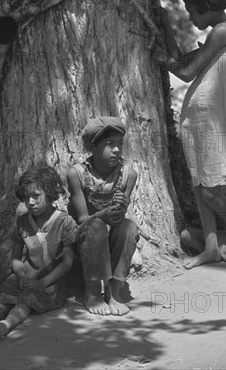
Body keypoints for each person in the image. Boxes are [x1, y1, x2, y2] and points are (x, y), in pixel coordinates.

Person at [152, 0, 226, 269]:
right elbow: (181, 59)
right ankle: (211, 247)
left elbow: (184, 72)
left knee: (210, 189)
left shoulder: (223, 32)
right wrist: (164, 22)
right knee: (199, 187)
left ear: (207, 7)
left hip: (210, 118)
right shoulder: (222, 34)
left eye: (192, 11)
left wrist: (165, 62)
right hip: (198, 116)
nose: (190, 17)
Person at [0, 166, 77, 339]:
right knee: (4, 300)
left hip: (51, 282)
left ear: (51, 193)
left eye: (36, 195)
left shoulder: (65, 222)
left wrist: (42, 283)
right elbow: (16, 257)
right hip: (25, 278)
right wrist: (21, 276)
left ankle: (4, 326)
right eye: (27, 197)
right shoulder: (22, 221)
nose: (31, 202)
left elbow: (67, 262)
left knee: (24, 303)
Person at [66, 116, 139, 316]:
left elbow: (118, 218)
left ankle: (114, 289)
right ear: (93, 147)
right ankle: (92, 292)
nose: (116, 149)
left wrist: (120, 208)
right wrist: (103, 214)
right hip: (84, 238)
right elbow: (82, 219)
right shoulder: (77, 174)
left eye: (119, 145)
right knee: (96, 225)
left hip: (108, 239)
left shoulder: (128, 175)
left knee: (129, 227)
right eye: (109, 144)